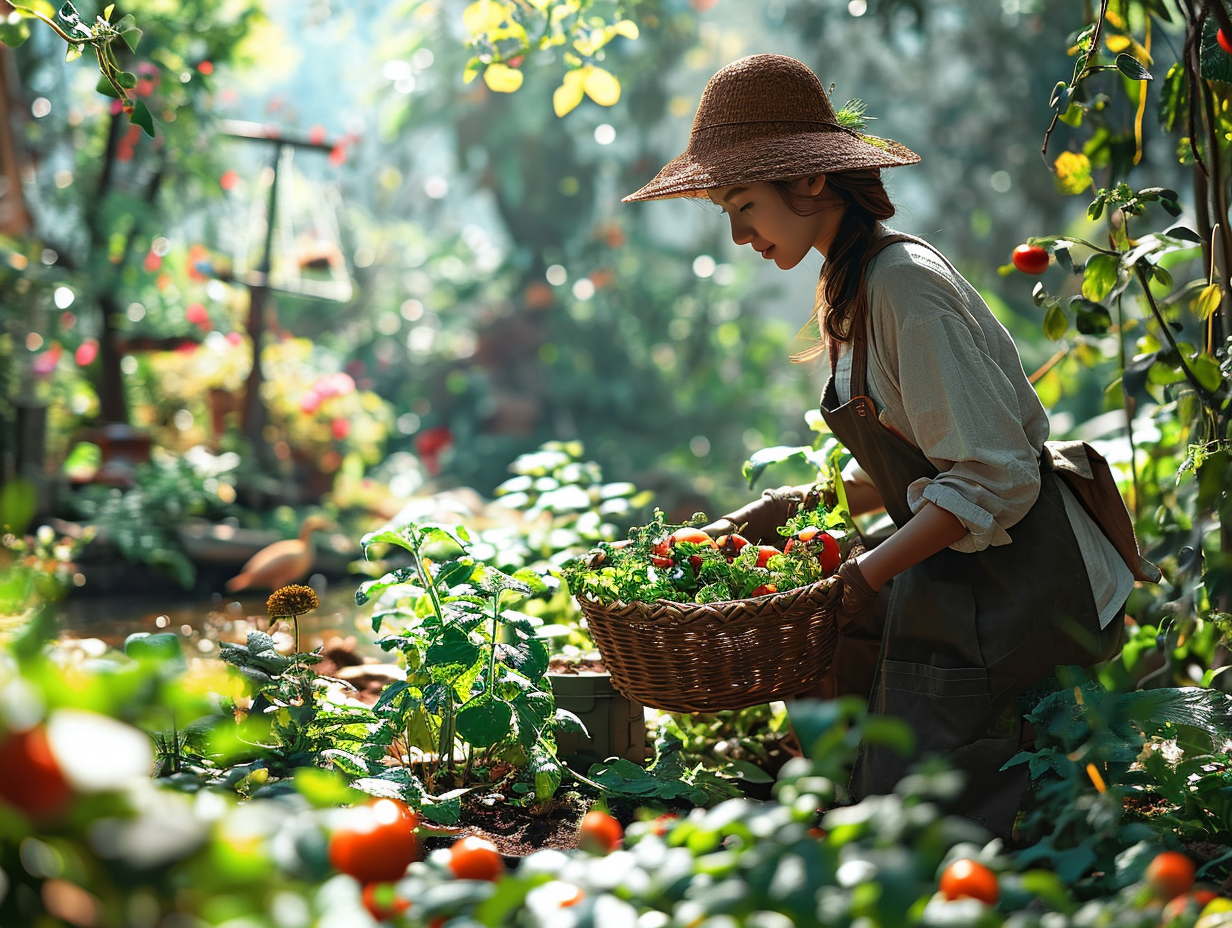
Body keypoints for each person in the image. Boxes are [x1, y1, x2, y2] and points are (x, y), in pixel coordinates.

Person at [622, 53, 1151, 842]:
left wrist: (862, 577)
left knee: (928, 832)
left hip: (1021, 577)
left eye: (742, 206)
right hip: (969, 565)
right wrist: (776, 512)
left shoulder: (905, 288)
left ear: (809, 184)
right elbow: (922, 465)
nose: (738, 236)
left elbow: (992, 475)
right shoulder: (855, 282)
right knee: (869, 782)